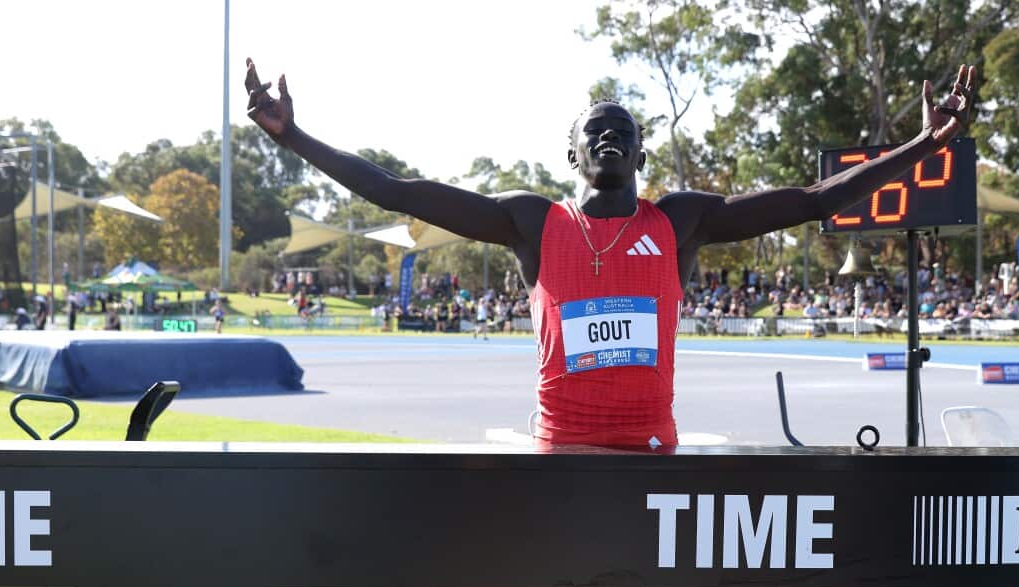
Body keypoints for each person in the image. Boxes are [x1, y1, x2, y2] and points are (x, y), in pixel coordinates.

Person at [245, 58, 976, 448]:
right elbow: (396, 190)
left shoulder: (682, 221)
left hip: (653, 452)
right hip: (560, 455)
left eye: (622, 129)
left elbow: (815, 202)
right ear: (570, 152)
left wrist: (925, 146)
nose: (609, 137)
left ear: (640, 150)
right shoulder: (532, 223)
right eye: (594, 130)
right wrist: (294, 138)